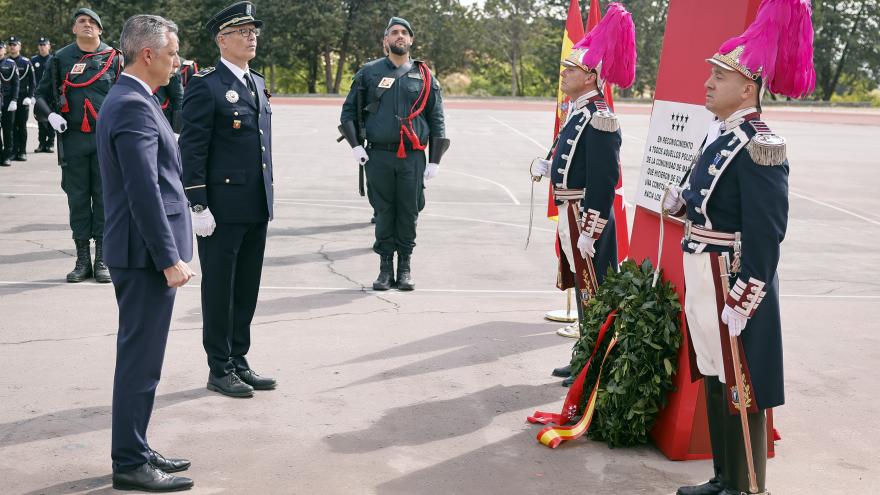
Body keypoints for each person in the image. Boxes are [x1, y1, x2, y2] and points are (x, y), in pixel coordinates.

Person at [662, 1, 815, 493]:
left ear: (747, 88)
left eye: (719, 77)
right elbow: (713, 202)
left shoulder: (760, 142)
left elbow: (767, 231)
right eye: (710, 75)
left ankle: (748, 485)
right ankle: (723, 476)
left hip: (731, 276)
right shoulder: (721, 136)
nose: (707, 83)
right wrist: (685, 203)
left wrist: (746, 296)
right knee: (714, 372)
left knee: (742, 383)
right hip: (703, 270)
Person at [96, 14, 195, 492]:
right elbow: (143, 191)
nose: (178, 62)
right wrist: (168, 258)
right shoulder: (133, 105)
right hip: (143, 256)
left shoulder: (136, 98)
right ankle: (130, 462)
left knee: (145, 358)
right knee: (140, 359)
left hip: (141, 252)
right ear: (149, 54)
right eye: (173, 53)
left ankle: (137, 444)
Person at [530, 4, 636, 386]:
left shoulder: (599, 116)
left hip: (585, 218)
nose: (564, 72)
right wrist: (550, 165)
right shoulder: (579, 110)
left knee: (596, 291)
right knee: (582, 288)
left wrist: (591, 229)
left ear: (590, 75)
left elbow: (605, 180)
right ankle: (584, 355)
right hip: (569, 210)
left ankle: (596, 362)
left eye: (570, 69)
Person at [180, 1, 276, 398]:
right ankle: (218, 368)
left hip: (255, 204)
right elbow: (193, 148)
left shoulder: (255, 81)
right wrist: (198, 205)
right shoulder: (206, 84)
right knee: (220, 289)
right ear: (222, 39)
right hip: (220, 209)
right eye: (242, 31)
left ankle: (239, 359)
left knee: (246, 288)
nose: (251, 36)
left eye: (254, 30)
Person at [340, 17, 449, 291]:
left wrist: (434, 160)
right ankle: (385, 269)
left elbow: (436, 119)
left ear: (411, 40)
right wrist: (355, 146)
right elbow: (349, 111)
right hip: (379, 155)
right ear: (385, 41)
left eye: (404, 33)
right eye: (393, 33)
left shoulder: (424, 75)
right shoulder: (368, 72)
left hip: (412, 157)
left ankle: (405, 267)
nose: (399, 36)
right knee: (384, 210)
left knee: (409, 212)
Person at [35, 7, 122, 283]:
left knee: (106, 198)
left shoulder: (115, 58)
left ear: (100, 30)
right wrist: (50, 115)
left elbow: (129, 96)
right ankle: (82, 259)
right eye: (81, 21)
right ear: (74, 29)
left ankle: (102, 259)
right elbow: (41, 96)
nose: (86, 25)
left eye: (92, 22)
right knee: (78, 199)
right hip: (73, 139)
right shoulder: (60, 59)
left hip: (105, 141)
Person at [7, 37, 37, 162]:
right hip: (9, 99)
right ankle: (13, 151)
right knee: (11, 126)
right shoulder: (5, 62)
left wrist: (30, 97)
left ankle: (22, 151)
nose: (12, 47)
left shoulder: (25, 62)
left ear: (19, 46)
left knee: (21, 126)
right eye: (10, 45)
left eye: (15, 44)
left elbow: (32, 82)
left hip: (23, 98)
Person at [32, 37, 55, 153]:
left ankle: (50, 143)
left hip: (51, 94)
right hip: (39, 95)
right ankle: (41, 143)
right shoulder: (34, 60)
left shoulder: (54, 59)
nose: (42, 47)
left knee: (51, 119)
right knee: (40, 119)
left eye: (44, 45)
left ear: (49, 46)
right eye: (40, 45)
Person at [0, 42, 20, 167]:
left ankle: (6, 156)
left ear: (4, 50)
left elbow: (16, 83)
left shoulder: (11, 64)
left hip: (7, 101)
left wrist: (14, 99)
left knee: (8, 130)